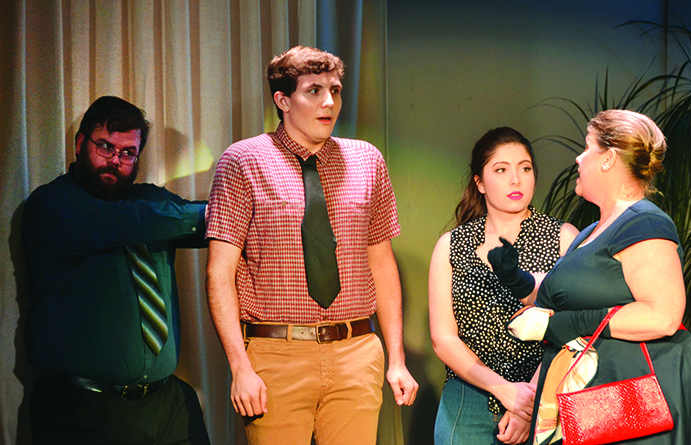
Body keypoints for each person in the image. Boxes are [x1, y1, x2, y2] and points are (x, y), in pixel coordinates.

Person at [205, 46, 418, 445]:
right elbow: (219, 273)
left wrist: (397, 359)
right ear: (283, 100)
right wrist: (239, 366)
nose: (329, 102)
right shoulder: (244, 161)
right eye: (314, 91)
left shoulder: (367, 160)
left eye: (335, 90)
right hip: (277, 353)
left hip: (355, 351)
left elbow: (382, 263)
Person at [506, 109, 691, 444]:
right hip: (594, 402)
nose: (578, 158)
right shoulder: (590, 233)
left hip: (633, 402)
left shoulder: (645, 223)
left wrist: (572, 324)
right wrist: (517, 279)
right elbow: (568, 295)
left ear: (608, 159)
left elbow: (663, 315)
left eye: (587, 147)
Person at [22, 96, 211, 444]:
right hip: (82, 409)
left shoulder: (151, 200)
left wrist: (249, 211)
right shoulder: (52, 204)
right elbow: (129, 223)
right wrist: (221, 213)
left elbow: (211, 227)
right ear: (80, 143)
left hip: (168, 404)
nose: (114, 160)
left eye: (128, 153)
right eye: (105, 146)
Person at [428, 127, 579, 445]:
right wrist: (502, 389)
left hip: (545, 394)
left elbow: (574, 327)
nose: (515, 180)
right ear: (480, 182)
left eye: (525, 168)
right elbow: (443, 338)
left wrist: (529, 402)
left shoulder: (563, 238)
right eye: (501, 170)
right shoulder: (452, 245)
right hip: (469, 396)